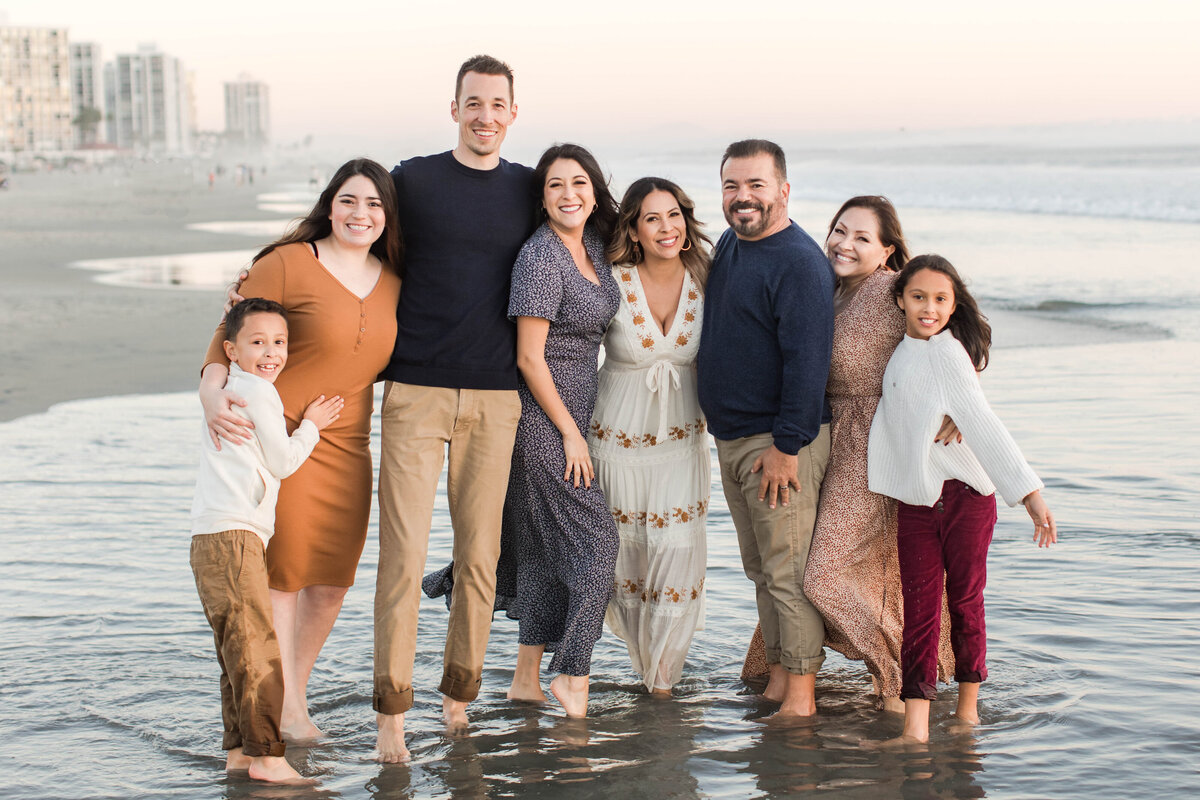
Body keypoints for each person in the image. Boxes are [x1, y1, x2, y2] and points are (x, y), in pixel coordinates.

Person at [201, 158, 402, 741]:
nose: (359, 214)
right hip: (282, 435)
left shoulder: (394, 278)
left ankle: (294, 692)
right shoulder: (287, 263)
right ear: (329, 205)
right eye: (348, 200)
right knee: (284, 574)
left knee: (333, 580)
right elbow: (227, 341)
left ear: (387, 216)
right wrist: (210, 395)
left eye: (372, 204)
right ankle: (285, 710)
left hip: (350, 443)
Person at [373, 54, 534, 760]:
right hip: (414, 390)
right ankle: (390, 715)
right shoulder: (411, 181)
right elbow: (344, 233)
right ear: (454, 108)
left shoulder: (530, 190)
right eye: (473, 102)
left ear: (513, 113)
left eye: (497, 104)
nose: (485, 115)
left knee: (480, 558)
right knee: (403, 559)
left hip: (498, 397)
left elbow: (596, 246)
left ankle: (457, 697)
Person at [741, 197, 955, 711]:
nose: (845, 243)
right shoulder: (829, 289)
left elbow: (952, 328)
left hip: (874, 445)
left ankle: (899, 674)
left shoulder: (890, 291)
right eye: (839, 230)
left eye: (862, 237)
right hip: (823, 441)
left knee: (825, 574)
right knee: (800, 563)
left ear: (887, 252)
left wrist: (956, 405)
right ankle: (787, 669)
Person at [868, 254, 1057, 745]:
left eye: (940, 299)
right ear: (900, 300)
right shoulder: (902, 352)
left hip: (966, 496)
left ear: (953, 305)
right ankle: (916, 728)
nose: (928, 308)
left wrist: (1030, 494)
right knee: (920, 609)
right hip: (917, 501)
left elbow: (983, 424)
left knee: (966, 602)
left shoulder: (948, 353)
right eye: (918, 297)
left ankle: (968, 711)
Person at [697, 139, 834, 719]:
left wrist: (787, 447)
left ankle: (800, 699)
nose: (742, 197)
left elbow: (808, 362)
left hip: (779, 444)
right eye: (732, 186)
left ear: (783, 189)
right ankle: (778, 678)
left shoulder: (800, 262)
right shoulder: (731, 242)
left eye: (756, 185)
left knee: (787, 574)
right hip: (733, 439)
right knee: (761, 570)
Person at [190, 298, 343, 784]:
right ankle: (267, 758)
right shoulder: (258, 393)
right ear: (231, 350)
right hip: (234, 536)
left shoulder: (232, 387)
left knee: (235, 650)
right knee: (257, 647)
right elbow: (282, 463)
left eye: (279, 342)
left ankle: (238, 752)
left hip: (212, 536)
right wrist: (313, 426)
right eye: (258, 343)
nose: (271, 352)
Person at [500, 143, 622, 718]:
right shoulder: (541, 257)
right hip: (543, 423)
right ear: (542, 197)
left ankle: (525, 681)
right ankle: (573, 673)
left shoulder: (593, 246)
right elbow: (530, 358)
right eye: (555, 185)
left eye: (578, 183)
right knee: (599, 544)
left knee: (545, 555)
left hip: (575, 418)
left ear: (594, 191)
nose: (568, 194)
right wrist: (571, 434)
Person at [592, 177, 713, 694]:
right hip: (616, 445)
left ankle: (662, 681)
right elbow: (567, 348)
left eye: (674, 215)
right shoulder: (609, 280)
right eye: (652, 218)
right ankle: (646, 676)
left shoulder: (709, 277)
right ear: (634, 230)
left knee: (676, 555)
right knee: (626, 561)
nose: (666, 228)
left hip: (683, 447)